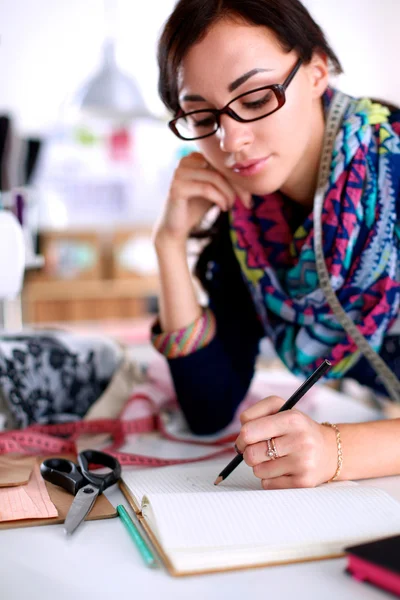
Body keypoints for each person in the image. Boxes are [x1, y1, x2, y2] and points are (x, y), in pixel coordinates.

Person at [151, 0, 400, 488]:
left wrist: (337, 451)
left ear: (316, 73)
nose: (231, 140)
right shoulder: (251, 226)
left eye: (257, 98)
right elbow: (209, 407)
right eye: (201, 116)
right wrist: (169, 243)